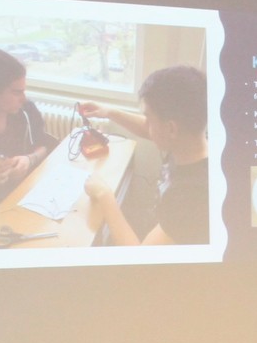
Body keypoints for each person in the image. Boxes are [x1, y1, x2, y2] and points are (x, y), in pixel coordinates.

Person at [82, 64, 210, 245]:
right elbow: (151, 129)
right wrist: (109, 112)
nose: (147, 124)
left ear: (171, 129)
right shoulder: (191, 140)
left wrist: (104, 195)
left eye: (149, 117)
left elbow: (141, 255)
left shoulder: (191, 197)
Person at [0, 47, 58, 207]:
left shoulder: (26, 110)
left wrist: (29, 159)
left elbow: (45, 145)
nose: (23, 98)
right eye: (16, 92)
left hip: (27, 194)